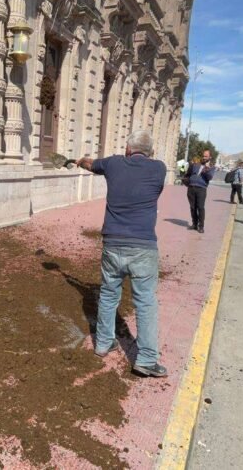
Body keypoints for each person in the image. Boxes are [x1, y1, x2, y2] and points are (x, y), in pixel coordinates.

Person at [76, 130, 168, 378]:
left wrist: (80, 160)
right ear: (150, 153)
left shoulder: (114, 163)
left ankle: (104, 344)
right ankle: (146, 360)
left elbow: (90, 164)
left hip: (113, 243)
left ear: (128, 149)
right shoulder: (159, 168)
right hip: (143, 246)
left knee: (108, 294)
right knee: (145, 301)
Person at [184, 150, 214, 233]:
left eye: (206, 156)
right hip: (191, 188)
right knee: (192, 207)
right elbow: (188, 173)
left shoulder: (211, 167)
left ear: (209, 157)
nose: (204, 158)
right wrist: (187, 180)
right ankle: (194, 224)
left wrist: (206, 169)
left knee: (200, 207)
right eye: (203, 156)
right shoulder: (196, 164)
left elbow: (209, 177)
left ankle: (201, 226)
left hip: (201, 189)